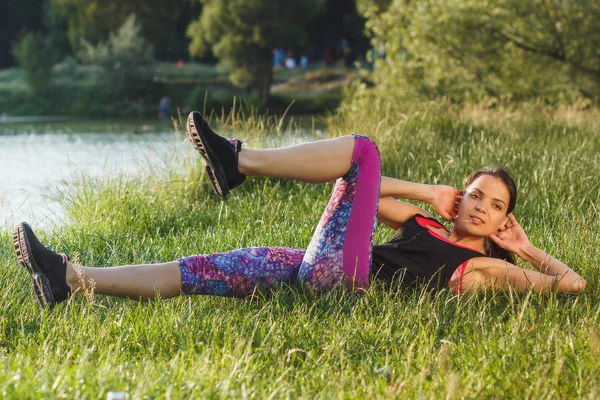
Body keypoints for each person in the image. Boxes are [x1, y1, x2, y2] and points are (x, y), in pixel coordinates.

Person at [13, 111, 586, 309]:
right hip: (323, 268)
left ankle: (238, 164)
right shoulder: (426, 224)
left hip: (352, 284)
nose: (482, 207)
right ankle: (68, 277)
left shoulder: (485, 266)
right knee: (207, 269)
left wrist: (525, 247)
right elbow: (364, 194)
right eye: (476, 195)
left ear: (505, 220)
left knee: (363, 149)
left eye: (497, 206)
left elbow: (573, 286)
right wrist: (426, 195)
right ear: (461, 199)